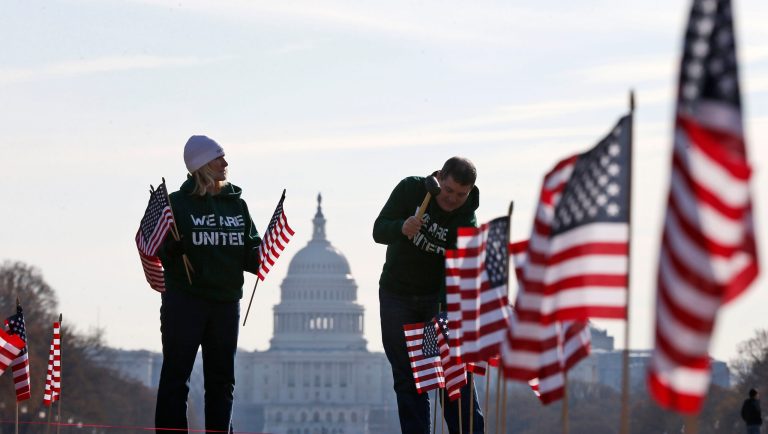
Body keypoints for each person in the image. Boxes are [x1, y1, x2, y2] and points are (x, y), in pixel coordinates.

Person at [155, 135, 262, 434]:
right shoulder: (176, 204)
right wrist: (169, 250)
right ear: (202, 164)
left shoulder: (237, 205)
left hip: (226, 303)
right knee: (177, 378)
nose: (225, 164)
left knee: (222, 382)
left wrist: (259, 256)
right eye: (219, 158)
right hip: (185, 301)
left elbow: (250, 250)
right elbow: (157, 243)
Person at [373, 156, 484, 434]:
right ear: (439, 177)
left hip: (436, 300)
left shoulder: (466, 220)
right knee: (408, 379)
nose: (452, 199)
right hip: (396, 295)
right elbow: (378, 230)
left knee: (454, 376)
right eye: (448, 191)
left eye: (461, 194)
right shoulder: (411, 190)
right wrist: (401, 227)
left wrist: (446, 314)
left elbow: (458, 272)